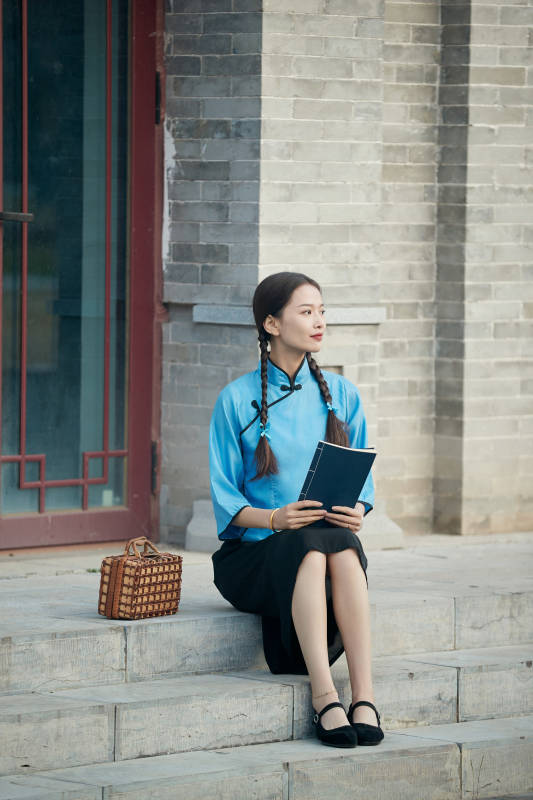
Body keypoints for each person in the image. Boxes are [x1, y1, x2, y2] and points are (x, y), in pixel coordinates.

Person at [209, 271, 384, 749]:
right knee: (311, 547)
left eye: (322, 311)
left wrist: (359, 510)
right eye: (306, 312)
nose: (319, 322)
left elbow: (363, 476)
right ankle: (324, 695)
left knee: (343, 545)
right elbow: (225, 499)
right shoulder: (234, 400)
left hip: (324, 540)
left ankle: (364, 695)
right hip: (253, 555)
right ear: (271, 323)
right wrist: (274, 518)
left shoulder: (343, 395)